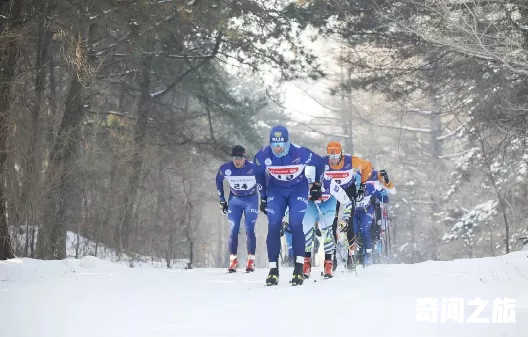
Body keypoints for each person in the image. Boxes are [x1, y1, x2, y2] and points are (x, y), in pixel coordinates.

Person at [254, 125, 325, 286]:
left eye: (281, 144)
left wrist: (317, 185)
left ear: (287, 142)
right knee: (273, 225)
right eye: (274, 144)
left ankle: (298, 269)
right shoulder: (263, 155)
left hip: (297, 190)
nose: (277, 148)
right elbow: (259, 176)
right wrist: (263, 198)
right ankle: (273, 270)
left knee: (295, 223)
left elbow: (320, 163)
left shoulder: (300, 153)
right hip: (275, 191)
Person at [324, 141, 373, 269]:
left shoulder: (350, 160)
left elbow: (367, 166)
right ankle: (331, 257)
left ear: (341, 154)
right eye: (330, 156)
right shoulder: (323, 162)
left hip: (348, 190)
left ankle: (351, 256)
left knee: (348, 222)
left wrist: (362, 186)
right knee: (332, 223)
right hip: (333, 194)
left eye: (335, 156)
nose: (333, 159)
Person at [302, 166, 353, 279]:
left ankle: (328, 264)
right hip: (310, 203)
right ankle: (306, 263)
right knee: (306, 229)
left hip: (328, 202)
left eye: (313, 184)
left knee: (328, 231)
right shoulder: (300, 182)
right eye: (308, 184)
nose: (310, 187)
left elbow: (347, 203)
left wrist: (345, 219)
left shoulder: (329, 183)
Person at [215, 145, 258, 273]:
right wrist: (222, 200)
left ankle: (251, 260)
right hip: (235, 200)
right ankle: (233, 260)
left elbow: (265, 180)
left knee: (249, 228)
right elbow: (218, 181)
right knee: (233, 228)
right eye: (235, 158)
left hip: (251, 199)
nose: (237, 161)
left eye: (240, 158)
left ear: (244, 158)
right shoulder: (226, 168)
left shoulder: (253, 167)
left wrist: (266, 198)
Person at [346, 179, 386, 266]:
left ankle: (369, 254)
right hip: (355, 212)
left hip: (366, 211)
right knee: (353, 231)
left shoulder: (370, 187)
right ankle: (352, 255)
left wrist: (383, 195)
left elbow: (380, 196)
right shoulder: (350, 188)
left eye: (360, 186)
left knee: (364, 229)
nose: (358, 188)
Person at [367, 168, 395, 262]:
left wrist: (386, 179)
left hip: (377, 207)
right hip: (365, 208)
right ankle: (365, 252)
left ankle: (377, 253)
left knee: (377, 230)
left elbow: (392, 191)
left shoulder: (380, 180)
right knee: (368, 229)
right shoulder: (360, 177)